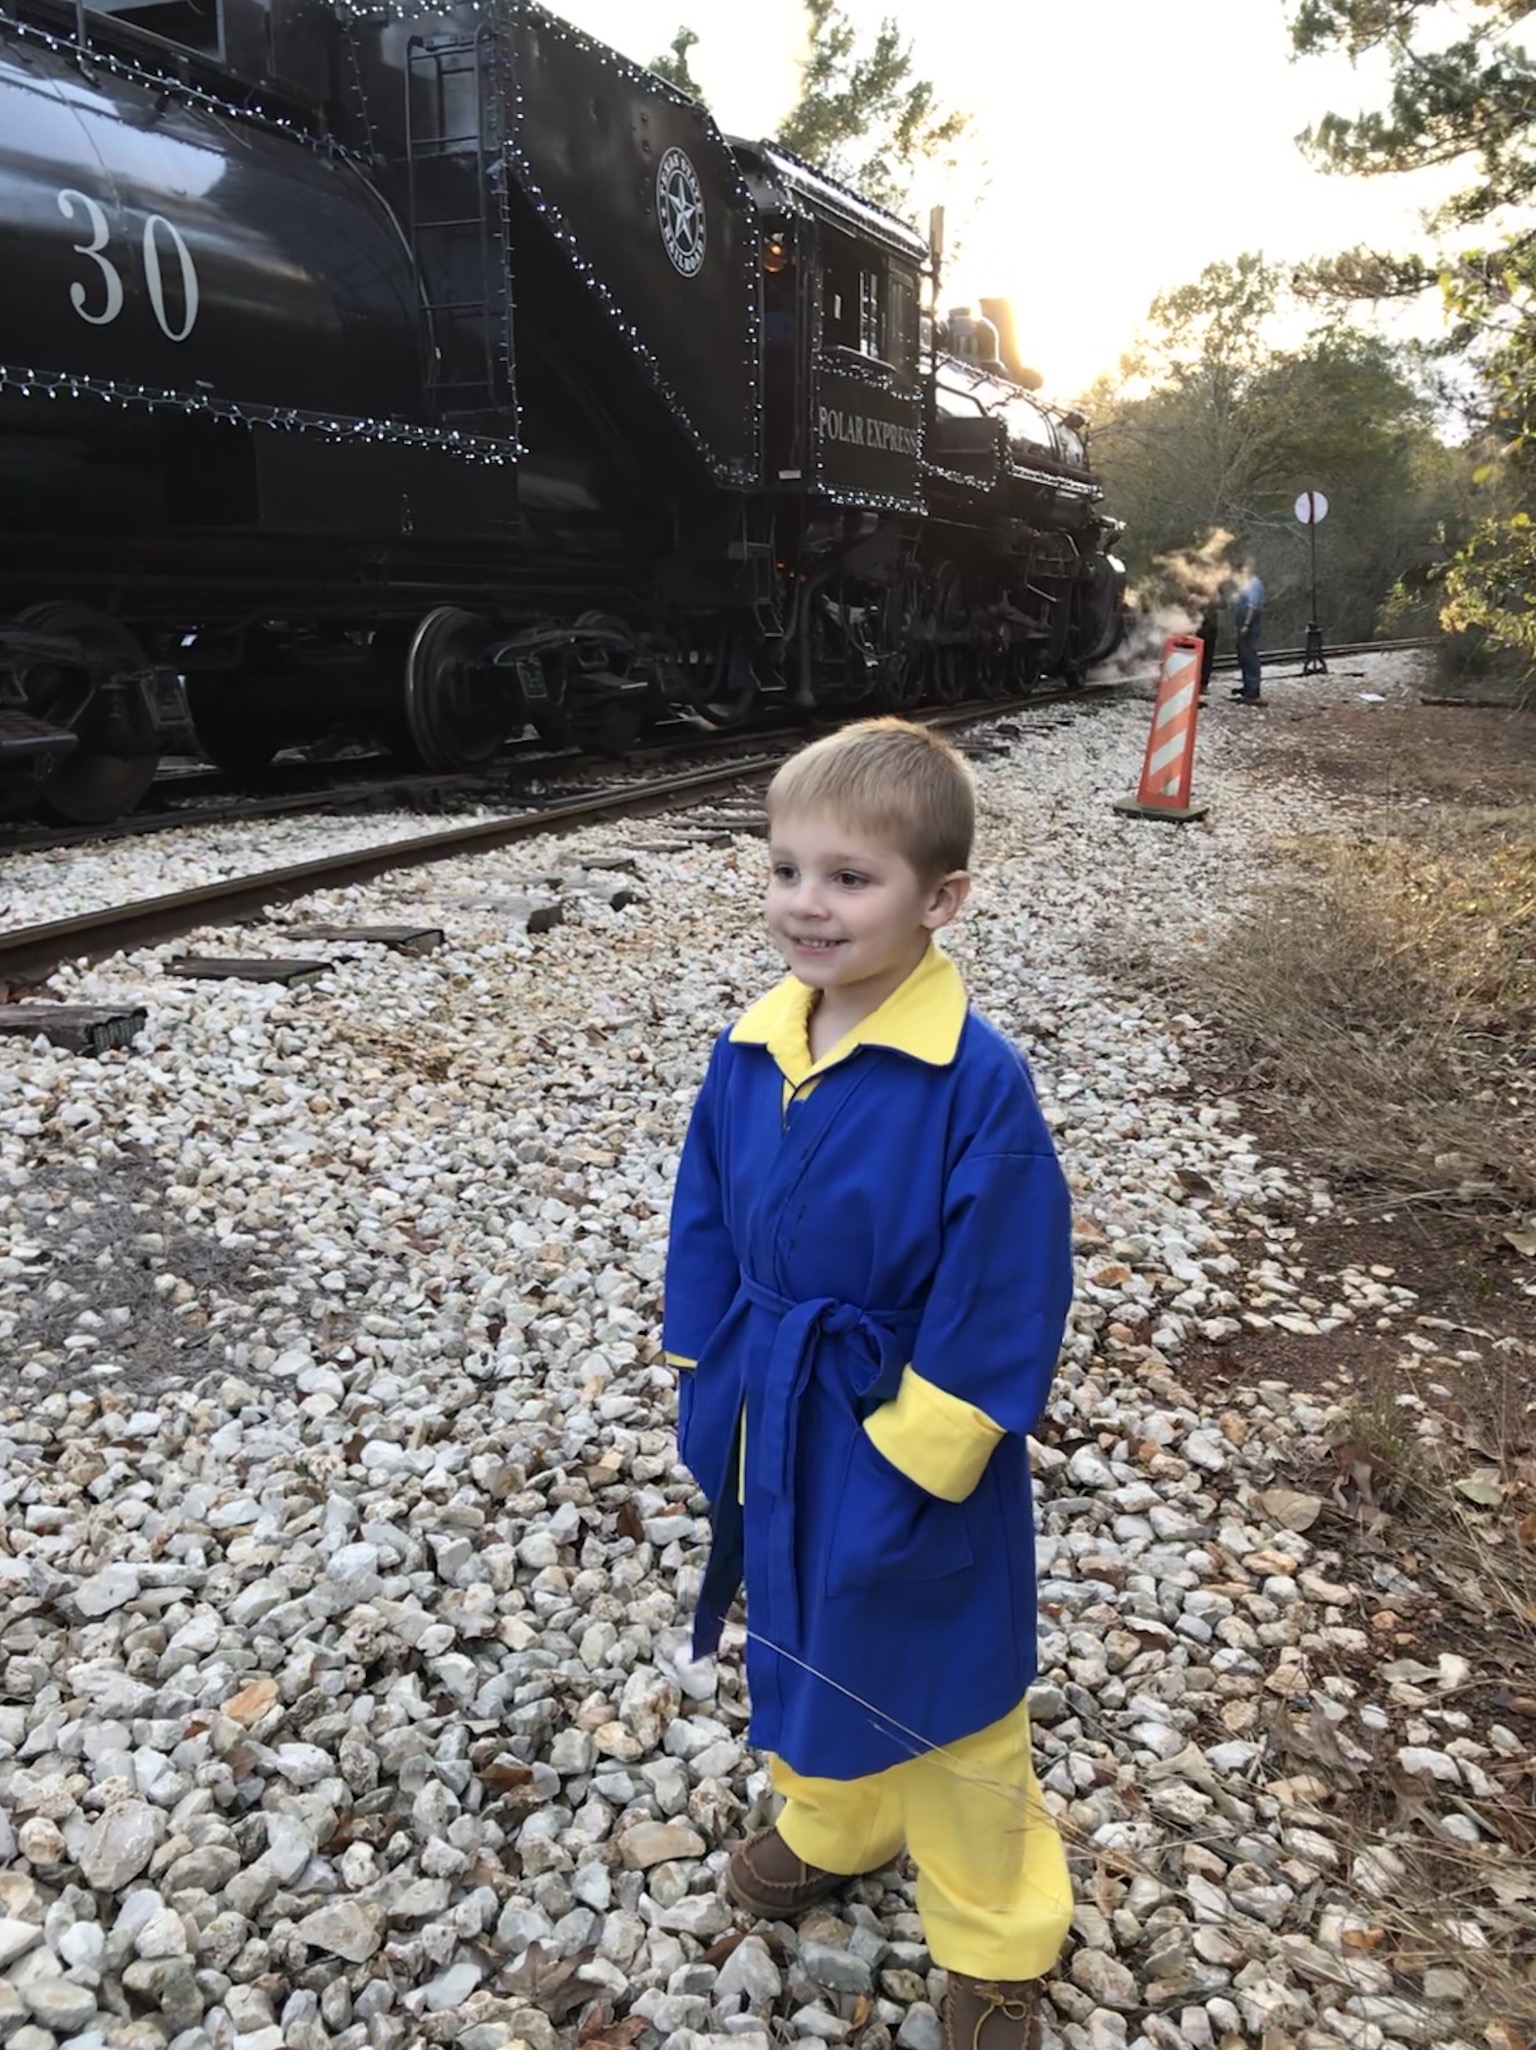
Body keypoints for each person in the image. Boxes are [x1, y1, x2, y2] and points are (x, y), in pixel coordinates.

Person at [663, 719, 1074, 2050]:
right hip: (777, 1405)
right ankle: (836, 1816)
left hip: (898, 1415)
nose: (808, 904)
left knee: (952, 1684)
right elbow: (705, 1216)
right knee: (795, 1616)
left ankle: (997, 1935)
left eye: (851, 878)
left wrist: (924, 1447)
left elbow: (1006, 1280)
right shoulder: (752, 1047)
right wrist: (706, 1367)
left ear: (939, 899)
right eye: (787, 869)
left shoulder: (974, 1081)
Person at [1231, 566, 1265, 702]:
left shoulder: (1253, 584)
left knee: (1250, 655)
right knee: (1244, 655)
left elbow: (1252, 606)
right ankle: (1247, 686)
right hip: (1245, 623)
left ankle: (1252, 689)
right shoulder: (1247, 583)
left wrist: (1246, 624)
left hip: (1250, 625)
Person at [1195, 594, 1219, 697]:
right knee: (1205, 658)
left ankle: (1202, 683)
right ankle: (1201, 683)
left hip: (1206, 627)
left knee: (1205, 657)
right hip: (1204, 626)